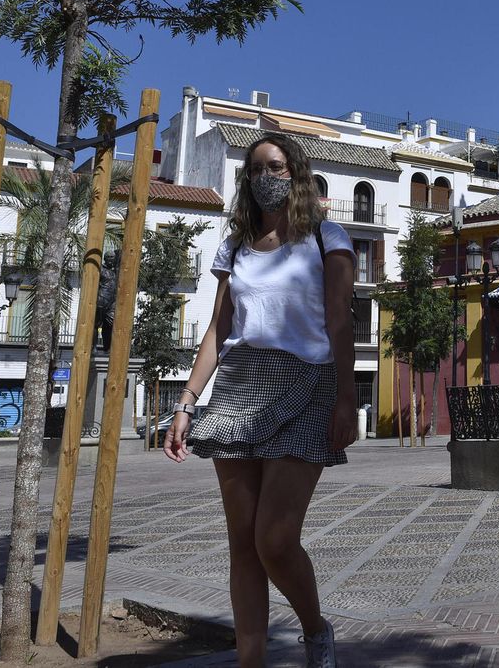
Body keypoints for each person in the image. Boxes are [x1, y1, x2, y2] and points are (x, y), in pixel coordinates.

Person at [163, 134, 357, 668]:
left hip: (308, 385)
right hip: (240, 389)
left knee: (274, 539)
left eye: (275, 167)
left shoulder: (327, 238)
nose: (265, 176)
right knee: (242, 546)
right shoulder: (237, 245)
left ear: (297, 175)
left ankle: (315, 629)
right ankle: (251, 662)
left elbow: (341, 322)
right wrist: (186, 401)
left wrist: (346, 400)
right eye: (255, 169)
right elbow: (218, 329)